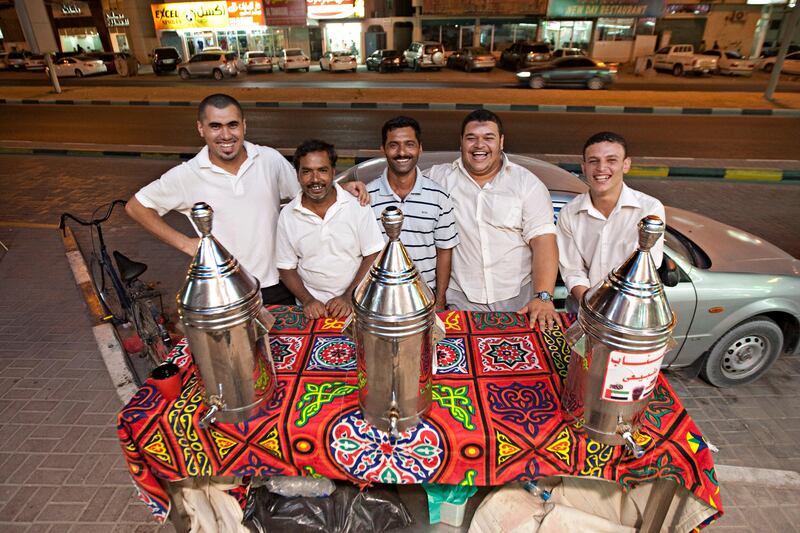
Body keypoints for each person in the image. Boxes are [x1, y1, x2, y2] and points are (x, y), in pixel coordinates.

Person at [126, 93, 367, 305]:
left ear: (244, 125)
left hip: (278, 283)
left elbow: (305, 191)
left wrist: (340, 187)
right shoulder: (187, 174)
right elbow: (137, 207)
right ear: (201, 128)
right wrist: (186, 244)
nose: (226, 135)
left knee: (285, 351)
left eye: (232, 125)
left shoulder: (268, 159)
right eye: (215, 126)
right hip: (226, 288)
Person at [427, 109, 562, 330]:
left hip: (519, 301)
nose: (479, 145)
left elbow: (543, 242)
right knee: (461, 361)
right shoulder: (438, 178)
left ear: (501, 142)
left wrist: (543, 297)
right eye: (471, 138)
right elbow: (401, 184)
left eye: (488, 138)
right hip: (460, 300)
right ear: (460, 143)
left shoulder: (526, 184)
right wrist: (355, 189)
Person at [276, 140, 384, 319]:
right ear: (297, 175)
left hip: (358, 302)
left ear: (333, 172)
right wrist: (308, 300)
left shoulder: (356, 205)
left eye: (322, 170)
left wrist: (349, 296)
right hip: (313, 310)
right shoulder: (288, 215)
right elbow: (286, 267)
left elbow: (372, 254)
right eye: (307, 172)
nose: (315, 179)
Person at [556, 131, 665, 308]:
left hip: (630, 311)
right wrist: (594, 306)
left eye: (611, 160)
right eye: (593, 161)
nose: (601, 168)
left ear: (626, 164)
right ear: (584, 167)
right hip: (584, 311)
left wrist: (613, 309)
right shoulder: (569, 212)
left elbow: (646, 268)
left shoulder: (650, 209)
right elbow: (572, 271)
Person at [368, 116, 458, 310]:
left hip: (424, 298)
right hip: (378, 299)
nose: (402, 152)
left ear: (420, 148)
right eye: (393, 145)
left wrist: (440, 300)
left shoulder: (438, 196)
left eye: (409, 144)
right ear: (382, 149)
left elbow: (444, 252)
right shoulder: (367, 198)